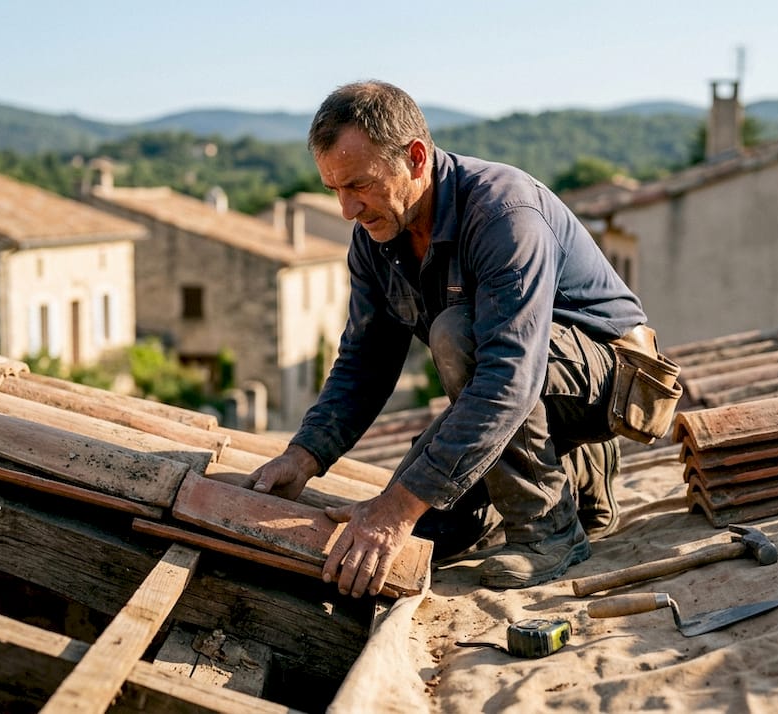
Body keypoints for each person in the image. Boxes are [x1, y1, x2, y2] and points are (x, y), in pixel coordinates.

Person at [250, 80, 651, 597]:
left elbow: (509, 378)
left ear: (416, 157)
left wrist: (396, 508)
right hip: (520, 384)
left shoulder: (504, 215)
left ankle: (550, 530)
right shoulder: (376, 237)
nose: (348, 209)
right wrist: (304, 455)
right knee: (432, 529)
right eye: (335, 191)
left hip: (615, 385)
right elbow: (364, 362)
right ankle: (577, 475)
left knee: (455, 335)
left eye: (360, 185)